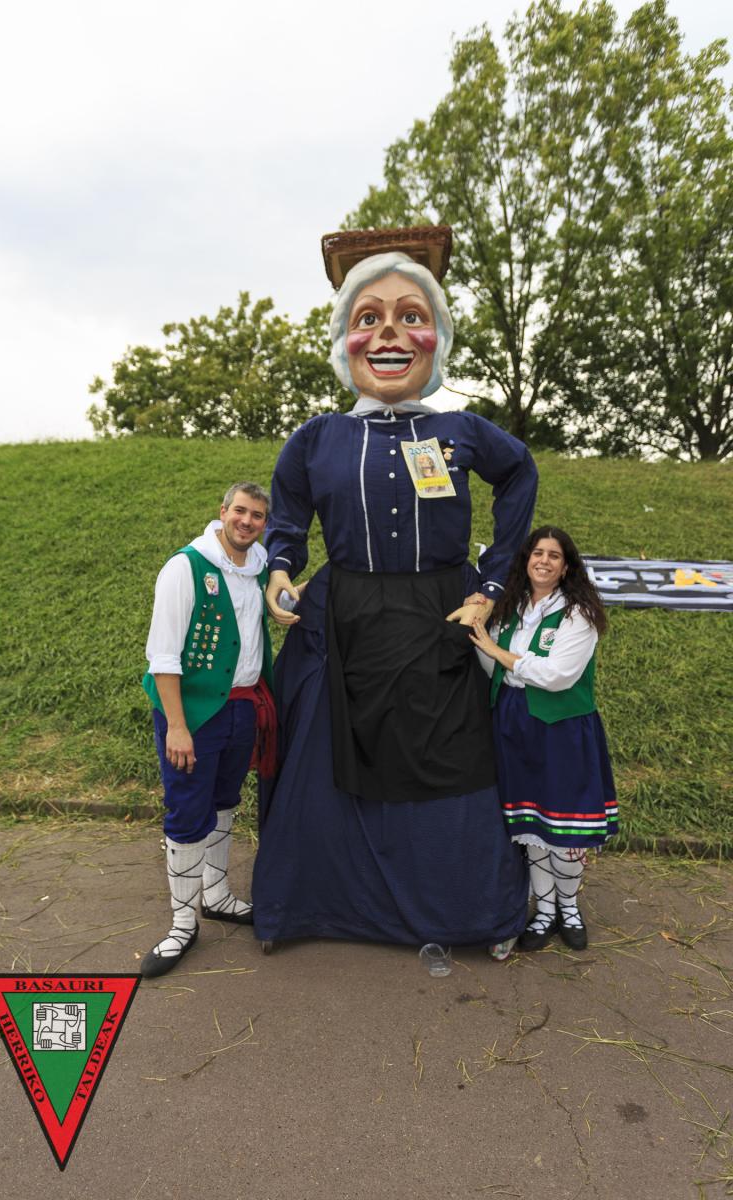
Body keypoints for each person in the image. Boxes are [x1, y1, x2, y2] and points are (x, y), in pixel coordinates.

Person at [251, 226, 538, 952]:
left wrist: (493, 581)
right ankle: (320, 907)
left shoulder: (460, 430)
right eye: (367, 317)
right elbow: (287, 513)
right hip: (345, 618)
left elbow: (519, 474)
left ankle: (466, 912)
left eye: (411, 315)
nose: (388, 333)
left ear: (438, 338)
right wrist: (282, 567)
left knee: (452, 761)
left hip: (440, 616)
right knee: (325, 761)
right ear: (343, 341)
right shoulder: (316, 438)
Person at [139, 482, 274, 978]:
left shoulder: (258, 566)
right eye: (240, 511)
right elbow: (163, 655)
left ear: (264, 524)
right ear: (222, 512)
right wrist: (177, 726)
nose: (247, 521)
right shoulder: (186, 566)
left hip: (241, 706)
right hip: (193, 713)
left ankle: (215, 895)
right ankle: (182, 923)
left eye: (257, 515)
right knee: (187, 810)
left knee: (223, 802)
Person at [469, 526, 618, 951]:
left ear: (566, 566)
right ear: (526, 560)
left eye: (554, 555)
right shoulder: (511, 607)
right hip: (514, 722)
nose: (544, 561)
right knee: (531, 823)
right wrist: (483, 633)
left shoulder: (578, 613)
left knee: (565, 829)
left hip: (562, 728)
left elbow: (557, 676)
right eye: (537, 553)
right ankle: (545, 909)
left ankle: (569, 907)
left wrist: (499, 652)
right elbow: (491, 665)